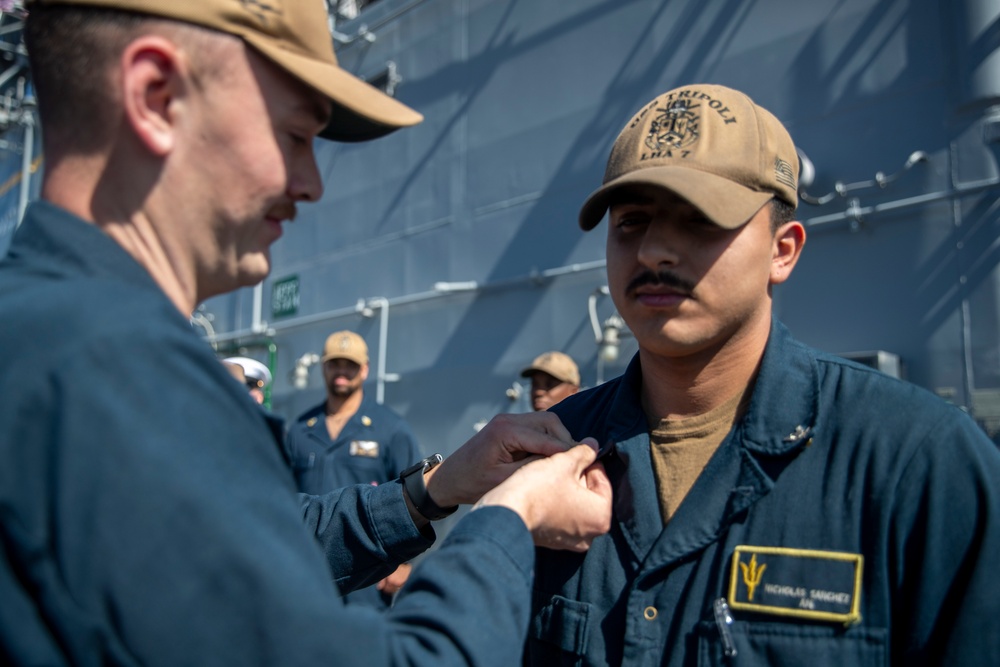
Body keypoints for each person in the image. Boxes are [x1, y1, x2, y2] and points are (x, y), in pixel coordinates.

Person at [0, 1, 613, 665]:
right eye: (294, 136)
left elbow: (242, 548)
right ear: (157, 96)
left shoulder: (44, 339)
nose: (312, 183)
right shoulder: (120, 373)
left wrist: (436, 489)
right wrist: (509, 516)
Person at [524, 83, 1000, 665]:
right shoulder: (553, 451)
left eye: (700, 220)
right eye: (632, 222)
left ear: (783, 251)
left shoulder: (918, 462)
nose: (653, 252)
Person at [285, 329, 422, 609]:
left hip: (369, 572)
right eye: (335, 363)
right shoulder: (300, 430)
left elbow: (418, 493)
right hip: (306, 572)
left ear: (365, 370)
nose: (342, 371)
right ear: (323, 367)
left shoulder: (390, 429)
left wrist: (406, 561)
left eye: (351, 365)